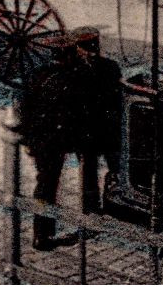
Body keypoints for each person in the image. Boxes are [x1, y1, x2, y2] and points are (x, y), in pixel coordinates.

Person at [17, 33, 88, 249]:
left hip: (40, 141)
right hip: (56, 141)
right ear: (67, 56)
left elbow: (24, 109)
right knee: (48, 186)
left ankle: (42, 231)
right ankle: (43, 233)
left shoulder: (37, 75)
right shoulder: (70, 78)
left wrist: (27, 140)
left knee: (44, 187)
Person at [71, 29, 122, 215]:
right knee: (113, 167)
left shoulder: (75, 71)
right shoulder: (111, 66)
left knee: (89, 172)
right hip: (107, 129)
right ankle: (114, 203)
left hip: (88, 131)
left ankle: (91, 209)